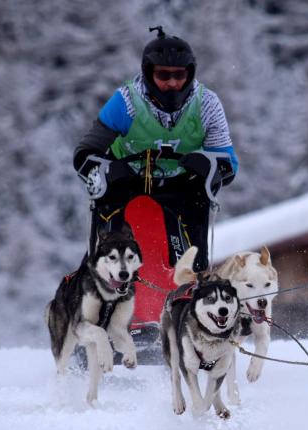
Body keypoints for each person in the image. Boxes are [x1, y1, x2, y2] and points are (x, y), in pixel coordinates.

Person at [73, 26, 238, 271]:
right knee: (107, 198)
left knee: (199, 195)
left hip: (180, 188)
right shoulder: (125, 101)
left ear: (190, 73)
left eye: (179, 75)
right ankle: (101, 274)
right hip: (126, 183)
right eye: (163, 75)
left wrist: (208, 164)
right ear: (148, 74)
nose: (172, 83)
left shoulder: (207, 105)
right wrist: (108, 171)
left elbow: (228, 166)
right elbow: (84, 155)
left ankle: (191, 277)